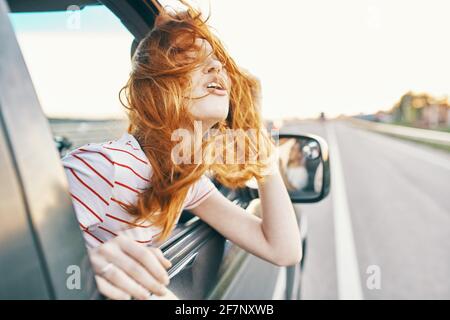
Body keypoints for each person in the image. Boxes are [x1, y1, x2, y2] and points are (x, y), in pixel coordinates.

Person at [62, 1, 301, 300]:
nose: (216, 66)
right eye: (188, 57)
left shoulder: (182, 181)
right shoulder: (103, 166)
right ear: (154, 88)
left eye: (217, 62)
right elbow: (17, 262)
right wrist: (85, 267)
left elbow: (283, 250)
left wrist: (264, 162)